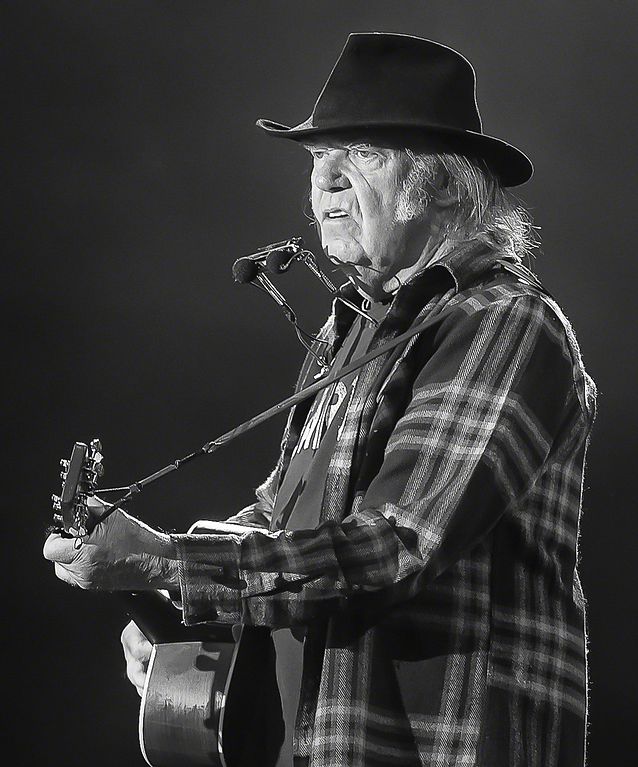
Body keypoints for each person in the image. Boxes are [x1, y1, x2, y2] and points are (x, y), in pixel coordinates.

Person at [44, 33, 596, 767]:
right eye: (315, 159)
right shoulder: (351, 336)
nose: (325, 180)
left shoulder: (502, 321)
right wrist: (180, 610)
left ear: (442, 183)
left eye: (362, 153)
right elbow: (284, 516)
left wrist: (166, 564)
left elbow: (398, 544)